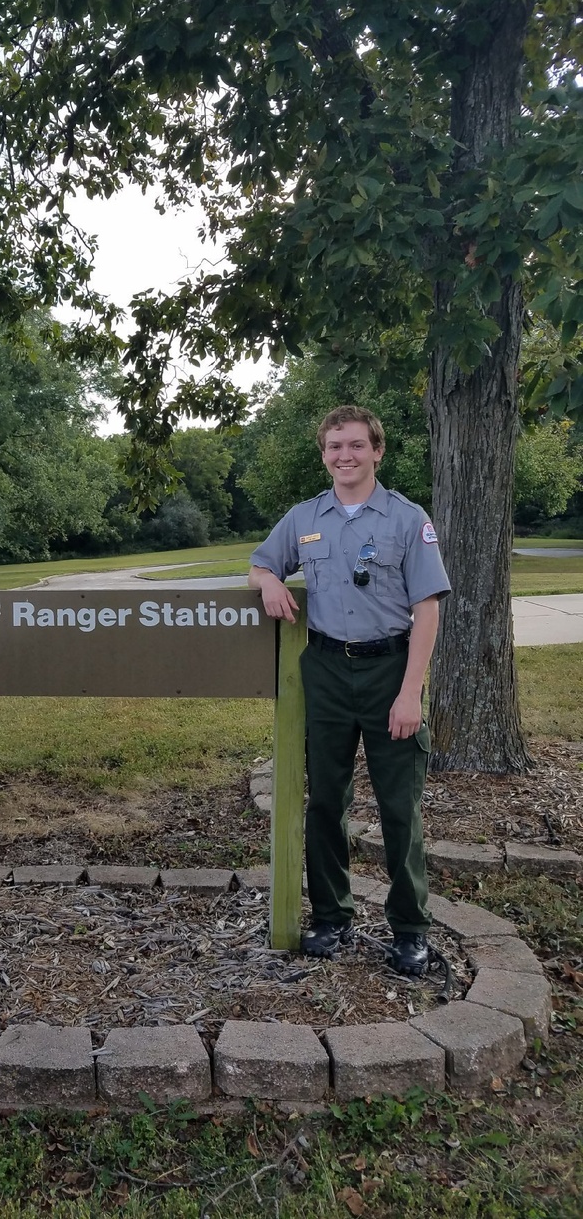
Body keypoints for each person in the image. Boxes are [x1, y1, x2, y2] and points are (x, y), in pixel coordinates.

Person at [248, 406, 450, 977]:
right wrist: (266, 580)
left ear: (377, 451)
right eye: (335, 446)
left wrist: (412, 692)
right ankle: (331, 916)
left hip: (391, 670)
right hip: (328, 671)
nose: (345, 456)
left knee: (399, 809)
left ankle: (410, 928)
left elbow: (427, 608)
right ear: (324, 454)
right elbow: (261, 563)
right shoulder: (305, 518)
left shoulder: (408, 520)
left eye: (356, 446)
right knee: (325, 802)